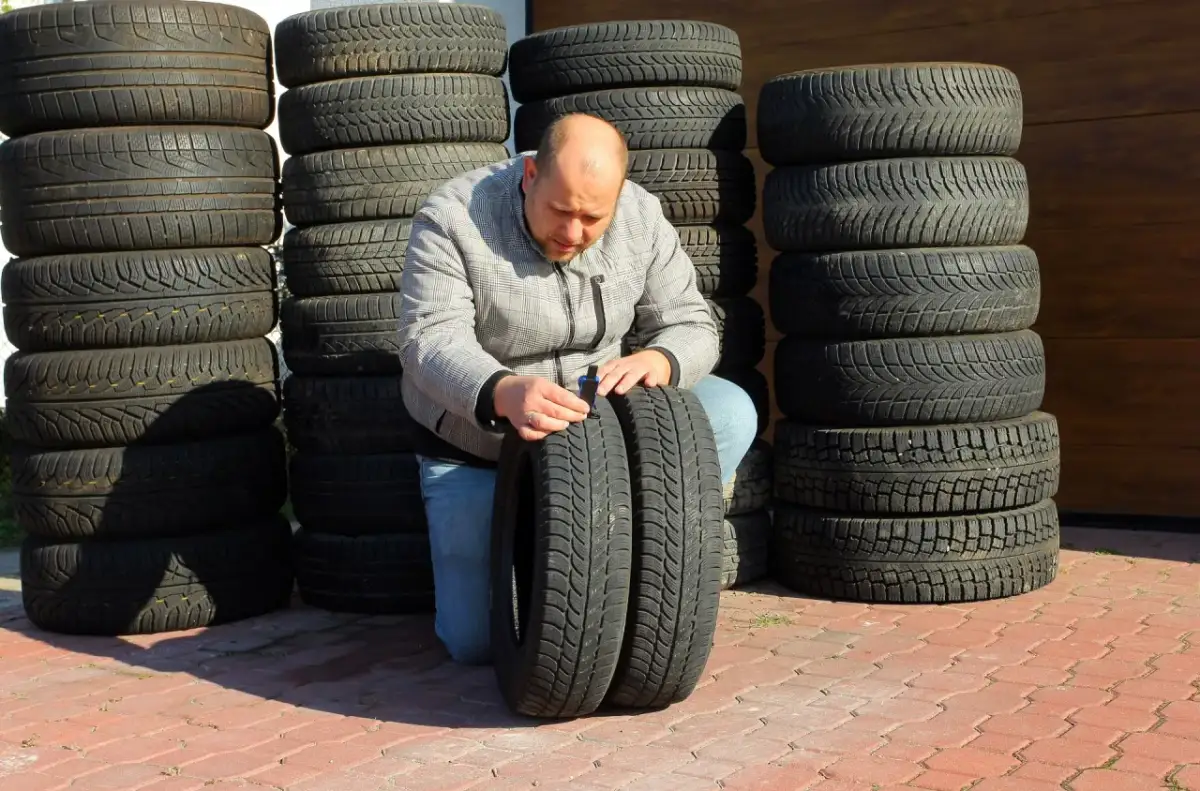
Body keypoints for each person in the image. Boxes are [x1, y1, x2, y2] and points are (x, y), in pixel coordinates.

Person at [396, 113, 758, 664]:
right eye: (559, 212)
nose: (572, 233)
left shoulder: (640, 214)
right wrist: (499, 389)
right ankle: (542, 541)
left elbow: (692, 323)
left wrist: (662, 359)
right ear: (530, 175)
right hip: (481, 445)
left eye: (593, 218)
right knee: (472, 644)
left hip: (597, 436)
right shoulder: (452, 217)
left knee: (730, 410)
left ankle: (636, 544)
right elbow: (429, 338)